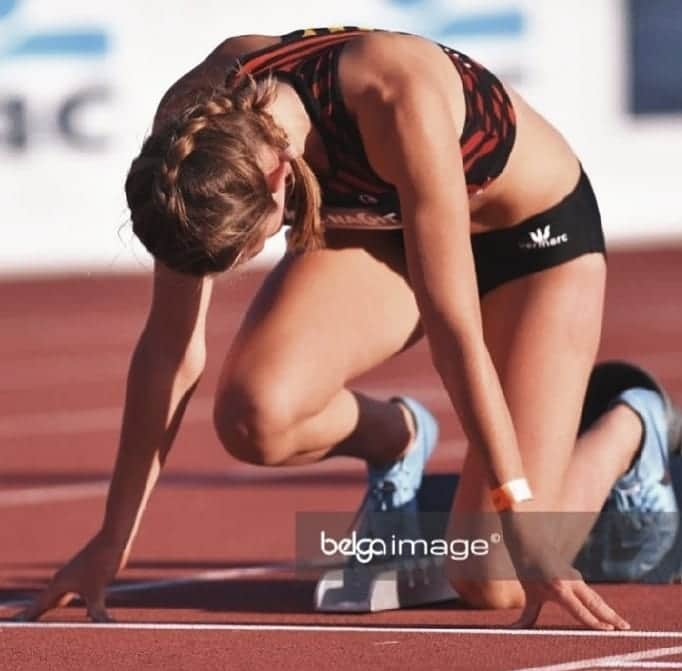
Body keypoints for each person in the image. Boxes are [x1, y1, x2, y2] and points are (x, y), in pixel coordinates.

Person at [10, 27, 681, 628]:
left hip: (533, 243)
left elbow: (454, 327)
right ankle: (401, 440)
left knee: (493, 575)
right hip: (393, 234)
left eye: (248, 250)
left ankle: (632, 423)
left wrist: (523, 515)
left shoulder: (395, 98)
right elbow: (168, 349)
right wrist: (111, 539)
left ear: (277, 178)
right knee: (256, 414)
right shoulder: (190, 141)